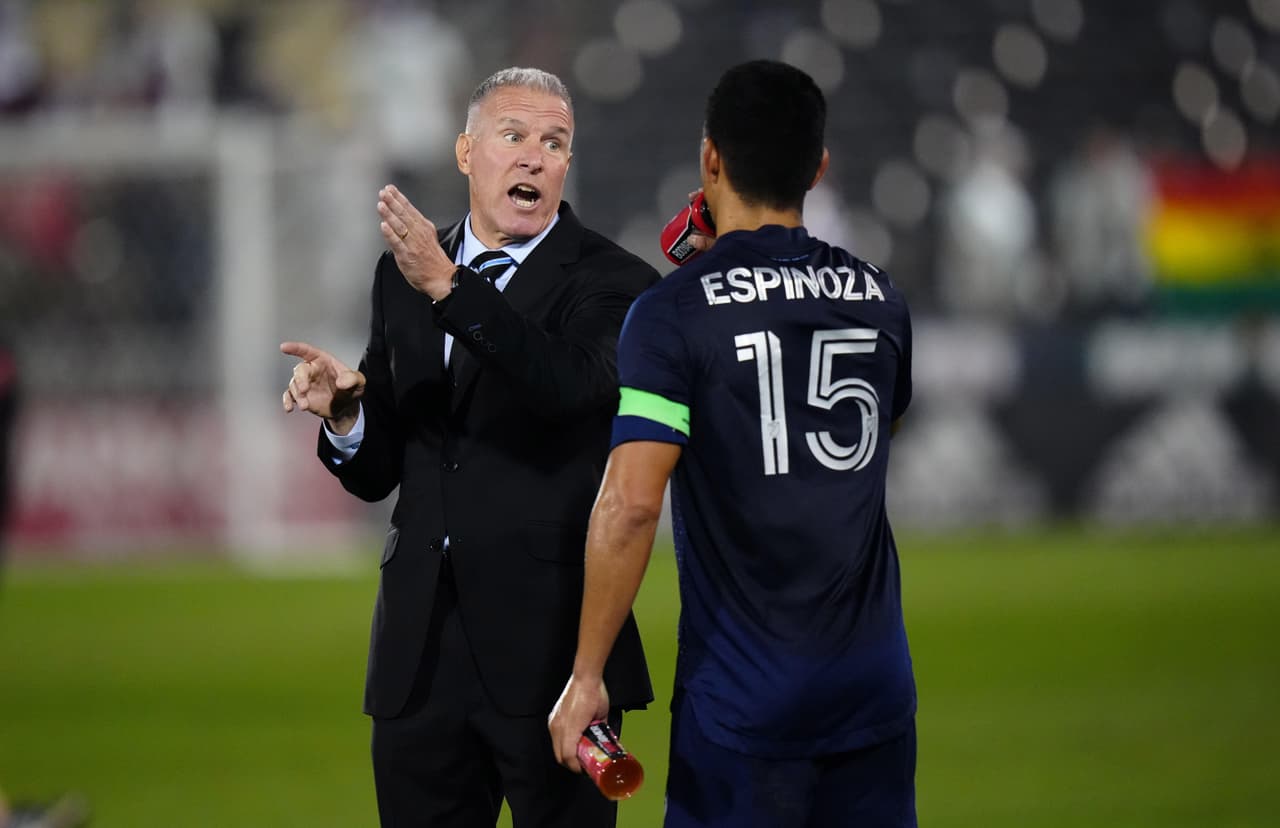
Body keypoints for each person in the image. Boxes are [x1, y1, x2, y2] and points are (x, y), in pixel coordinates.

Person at [280, 67, 656, 827]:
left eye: (554, 143)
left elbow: (566, 386)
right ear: (466, 152)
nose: (533, 157)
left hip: (556, 656)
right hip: (418, 661)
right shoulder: (403, 276)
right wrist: (348, 417)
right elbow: (386, 469)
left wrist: (451, 289)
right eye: (513, 136)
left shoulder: (614, 281)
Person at [548, 60, 917, 827]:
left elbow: (631, 505)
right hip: (874, 688)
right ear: (818, 167)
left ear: (710, 158)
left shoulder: (672, 312)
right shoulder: (883, 299)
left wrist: (588, 675)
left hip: (745, 703)